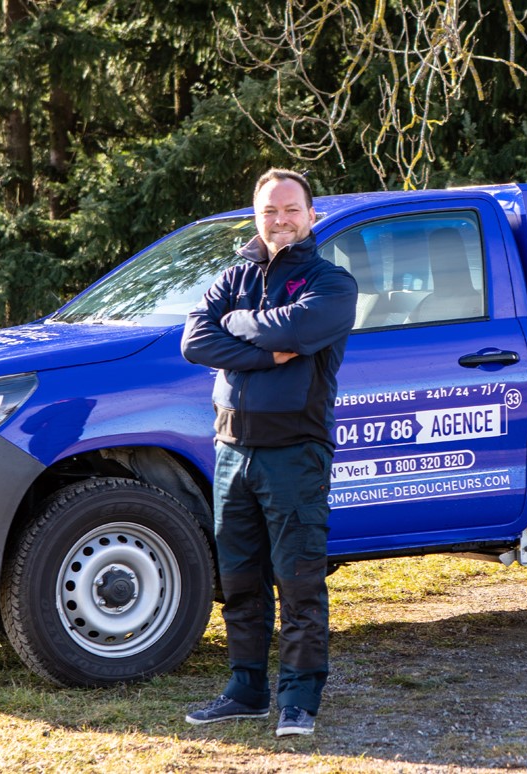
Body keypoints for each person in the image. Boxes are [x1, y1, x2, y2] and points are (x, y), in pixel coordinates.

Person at [180, 169, 358, 737]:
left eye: (290, 210)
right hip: (231, 451)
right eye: (269, 211)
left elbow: (299, 327)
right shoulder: (231, 277)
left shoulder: (331, 283)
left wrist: (239, 330)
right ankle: (246, 689)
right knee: (239, 581)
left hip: (294, 452)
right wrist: (262, 349)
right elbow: (194, 341)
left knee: (298, 579)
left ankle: (299, 700)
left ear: (311, 216)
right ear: (255, 217)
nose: (279, 220)